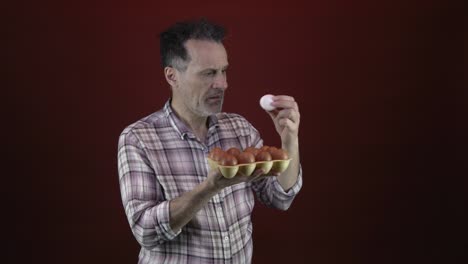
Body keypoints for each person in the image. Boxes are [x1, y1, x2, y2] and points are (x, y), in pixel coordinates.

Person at [117, 18, 303, 263]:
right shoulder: (138, 139)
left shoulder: (240, 128)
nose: (223, 84)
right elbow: (145, 231)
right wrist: (210, 188)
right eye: (209, 73)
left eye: (224, 70)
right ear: (172, 76)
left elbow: (280, 197)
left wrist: (290, 139)